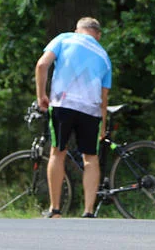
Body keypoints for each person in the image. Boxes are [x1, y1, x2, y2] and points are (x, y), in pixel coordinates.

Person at [35, 17, 113, 218]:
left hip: (63, 104)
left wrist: (41, 95)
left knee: (57, 152)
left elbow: (42, 65)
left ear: (78, 30)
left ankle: (55, 209)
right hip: (91, 110)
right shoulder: (104, 57)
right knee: (90, 158)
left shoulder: (64, 39)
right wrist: (102, 125)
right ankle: (88, 211)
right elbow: (104, 98)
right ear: (98, 35)